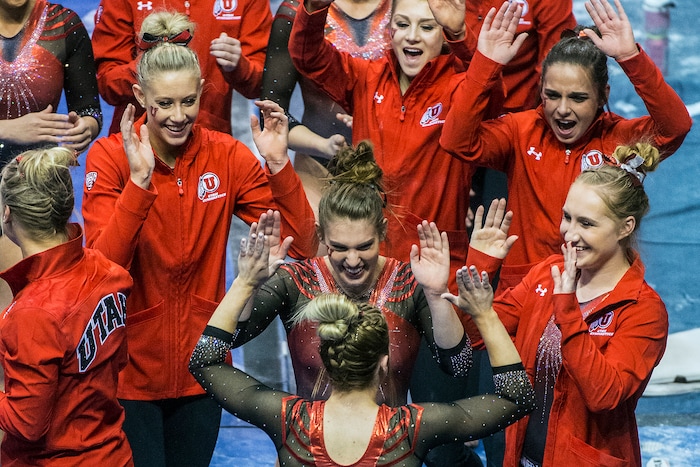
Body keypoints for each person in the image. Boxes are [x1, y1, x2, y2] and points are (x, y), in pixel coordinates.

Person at [81, 19, 317, 467]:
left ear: (204, 91)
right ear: (139, 98)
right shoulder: (110, 157)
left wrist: (279, 164)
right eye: (164, 103)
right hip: (129, 373)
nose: (177, 115)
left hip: (204, 367)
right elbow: (102, 269)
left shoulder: (225, 155)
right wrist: (138, 184)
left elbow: (302, 244)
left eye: (188, 101)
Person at [188, 224, 535, 467]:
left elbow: (204, 360)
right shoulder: (412, 429)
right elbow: (517, 397)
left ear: (325, 356)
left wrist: (244, 284)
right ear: (384, 363)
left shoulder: (288, 421)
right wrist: (484, 314)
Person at [440, 0, 692, 294]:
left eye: (577, 98)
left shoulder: (618, 138)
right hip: (526, 290)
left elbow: (676, 127)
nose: (562, 109)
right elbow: (456, 140)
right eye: (552, 95)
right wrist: (485, 64)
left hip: (596, 290)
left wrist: (630, 58)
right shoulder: (520, 131)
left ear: (602, 96)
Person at [463, 142, 669, 467]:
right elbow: (472, 336)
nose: (569, 234)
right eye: (567, 217)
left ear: (625, 227)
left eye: (586, 224)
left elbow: (604, 395)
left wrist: (567, 307)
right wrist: (481, 265)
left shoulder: (643, 310)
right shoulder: (548, 274)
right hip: (522, 457)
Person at [288, 0, 517, 283]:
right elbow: (308, 57)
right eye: (403, 24)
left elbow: (492, 100)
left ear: (442, 35)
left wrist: (461, 35)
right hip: (370, 259)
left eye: (427, 27)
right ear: (389, 30)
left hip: (437, 259)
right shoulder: (365, 77)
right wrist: (314, 10)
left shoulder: (459, 86)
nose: (412, 35)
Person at [230, 141, 471, 405]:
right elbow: (230, 339)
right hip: (312, 443)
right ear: (321, 235)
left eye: (364, 246)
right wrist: (247, 284)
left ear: (382, 231)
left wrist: (436, 296)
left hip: (390, 443)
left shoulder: (409, 284)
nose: (353, 260)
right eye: (340, 248)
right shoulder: (296, 281)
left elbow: (458, 366)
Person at [0, 147, 132, 466]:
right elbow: (118, 360)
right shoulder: (109, 272)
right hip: (112, 453)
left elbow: (26, 423)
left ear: (8, 213)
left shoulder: (33, 313)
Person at [0, 0, 103, 310]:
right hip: (8, 192)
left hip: (40, 188)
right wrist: (7, 129)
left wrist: (84, 127)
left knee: (44, 308)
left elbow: (88, 108)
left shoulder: (64, 24)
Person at [260, 0, 391, 220]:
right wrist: (324, 146)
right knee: (313, 249)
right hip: (319, 165)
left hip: (392, 167)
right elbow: (272, 116)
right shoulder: (297, 11)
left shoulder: (408, 9)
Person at [91, 0, 272, 134]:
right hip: (137, 139)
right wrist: (155, 62)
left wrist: (239, 66)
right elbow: (108, 84)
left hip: (210, 140)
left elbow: (263, 85)